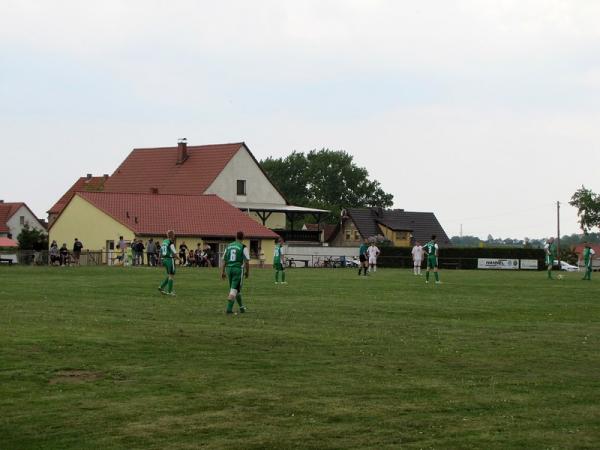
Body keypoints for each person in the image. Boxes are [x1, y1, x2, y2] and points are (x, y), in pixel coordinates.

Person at [221, 231, 250, 314]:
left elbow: (224, 260)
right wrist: (247, 272)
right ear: (243, 237)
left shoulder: (229, 246)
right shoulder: (243, 247)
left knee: (236, 289)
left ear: (235, 237)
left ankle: (241, 308)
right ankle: (229, 310)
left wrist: (223, 272)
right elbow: (247, 261)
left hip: (228, 269)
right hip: (237, 269)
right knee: (234, 290)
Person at [158, 230, 180, 295]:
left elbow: (160, 251)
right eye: (174, 235)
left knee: (169, 275)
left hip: (164, 259)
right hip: (169, 259)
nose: (174, 236)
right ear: (172, 235)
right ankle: (170, 292)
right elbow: (174, 253)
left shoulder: (164, 241)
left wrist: (160, 260)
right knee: (171, 276)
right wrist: (180, 259)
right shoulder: (171, 242)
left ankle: (161, 287)